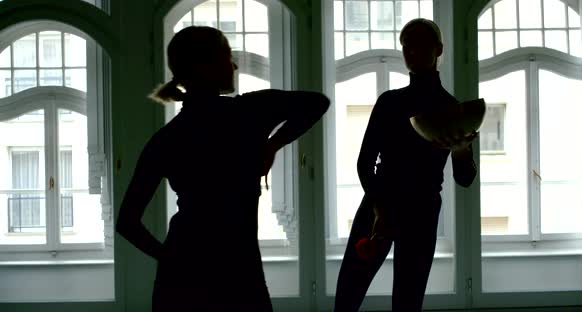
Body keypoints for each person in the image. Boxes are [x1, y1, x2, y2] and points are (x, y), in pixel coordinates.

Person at [115, 26, 330, 312]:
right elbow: (317, 103)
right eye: (228, 57)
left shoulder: (168, 138)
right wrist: (271, 145)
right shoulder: (250, 112)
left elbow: (127, 222)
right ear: (206, 67)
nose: (235, 65)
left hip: (181, 278)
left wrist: (169, 258)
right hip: (239, 272)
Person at [333, 18, 477, 312]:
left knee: (407, 301)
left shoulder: (452, 110)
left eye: (420, 43)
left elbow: (464, 178)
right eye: (406, 45)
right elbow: (364, 163)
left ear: (439, 49)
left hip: (421, 210)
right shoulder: (389, 102)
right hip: (379, 202)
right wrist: (379, 210)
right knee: (348, 291)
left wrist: (462, 149)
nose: (411, 50)